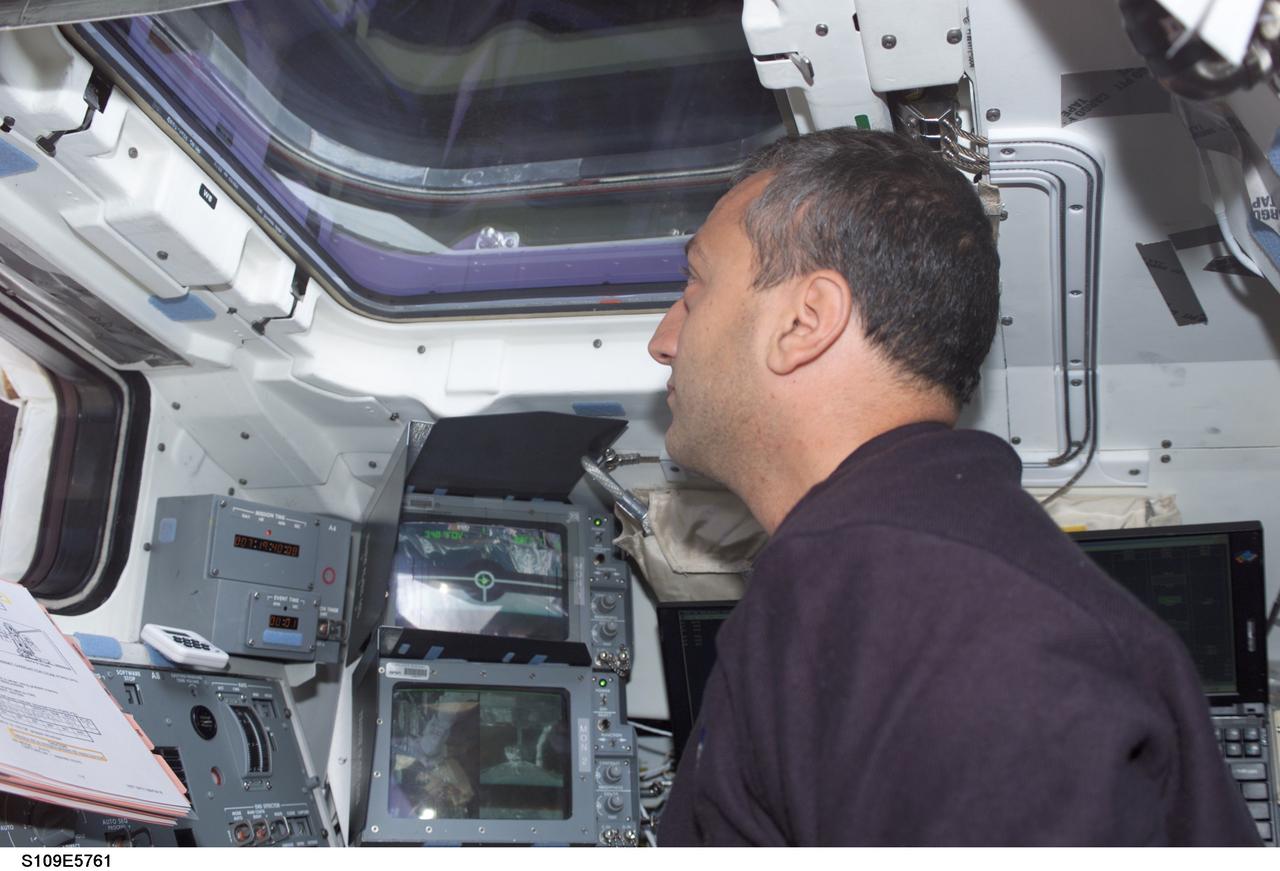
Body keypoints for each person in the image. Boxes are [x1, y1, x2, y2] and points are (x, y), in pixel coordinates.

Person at [646, 128, 1261, 846]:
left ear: (804, 322)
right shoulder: (905, 569)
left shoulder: (912, 601)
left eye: (694, 288)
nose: (663, 338)